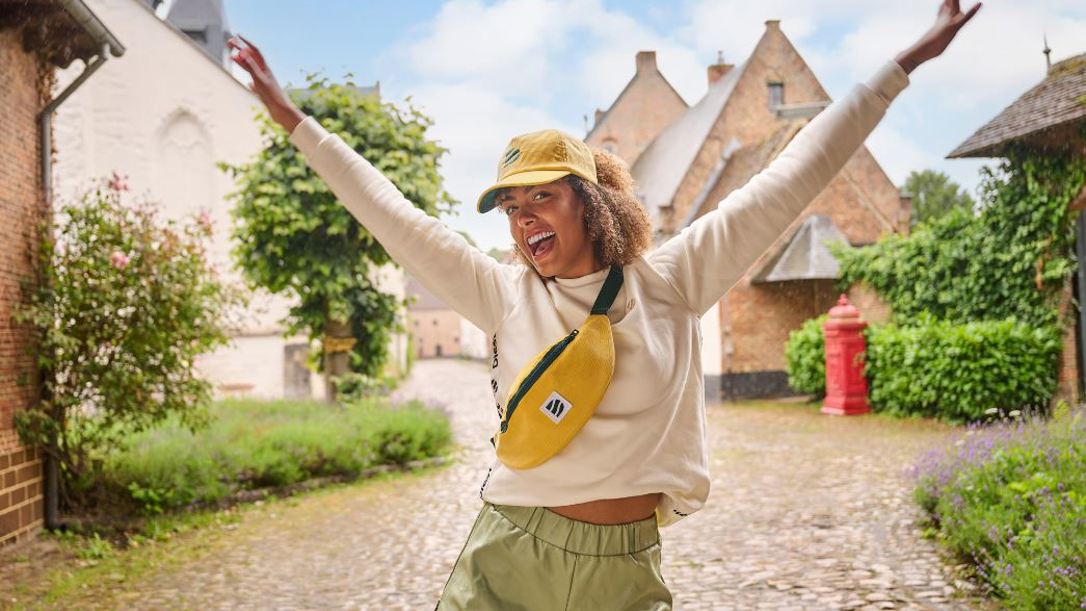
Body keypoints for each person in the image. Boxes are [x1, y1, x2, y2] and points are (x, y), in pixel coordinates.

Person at [229, 2, 980, 608]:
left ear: (588, 203)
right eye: (511, 208)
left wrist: (902, 65)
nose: (524, 221)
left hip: (622, 571)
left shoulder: (675, 277)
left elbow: (795, 172)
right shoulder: (499, 290)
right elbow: (392, 214)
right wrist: (294, 118)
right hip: (510, 551)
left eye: (542, 199)